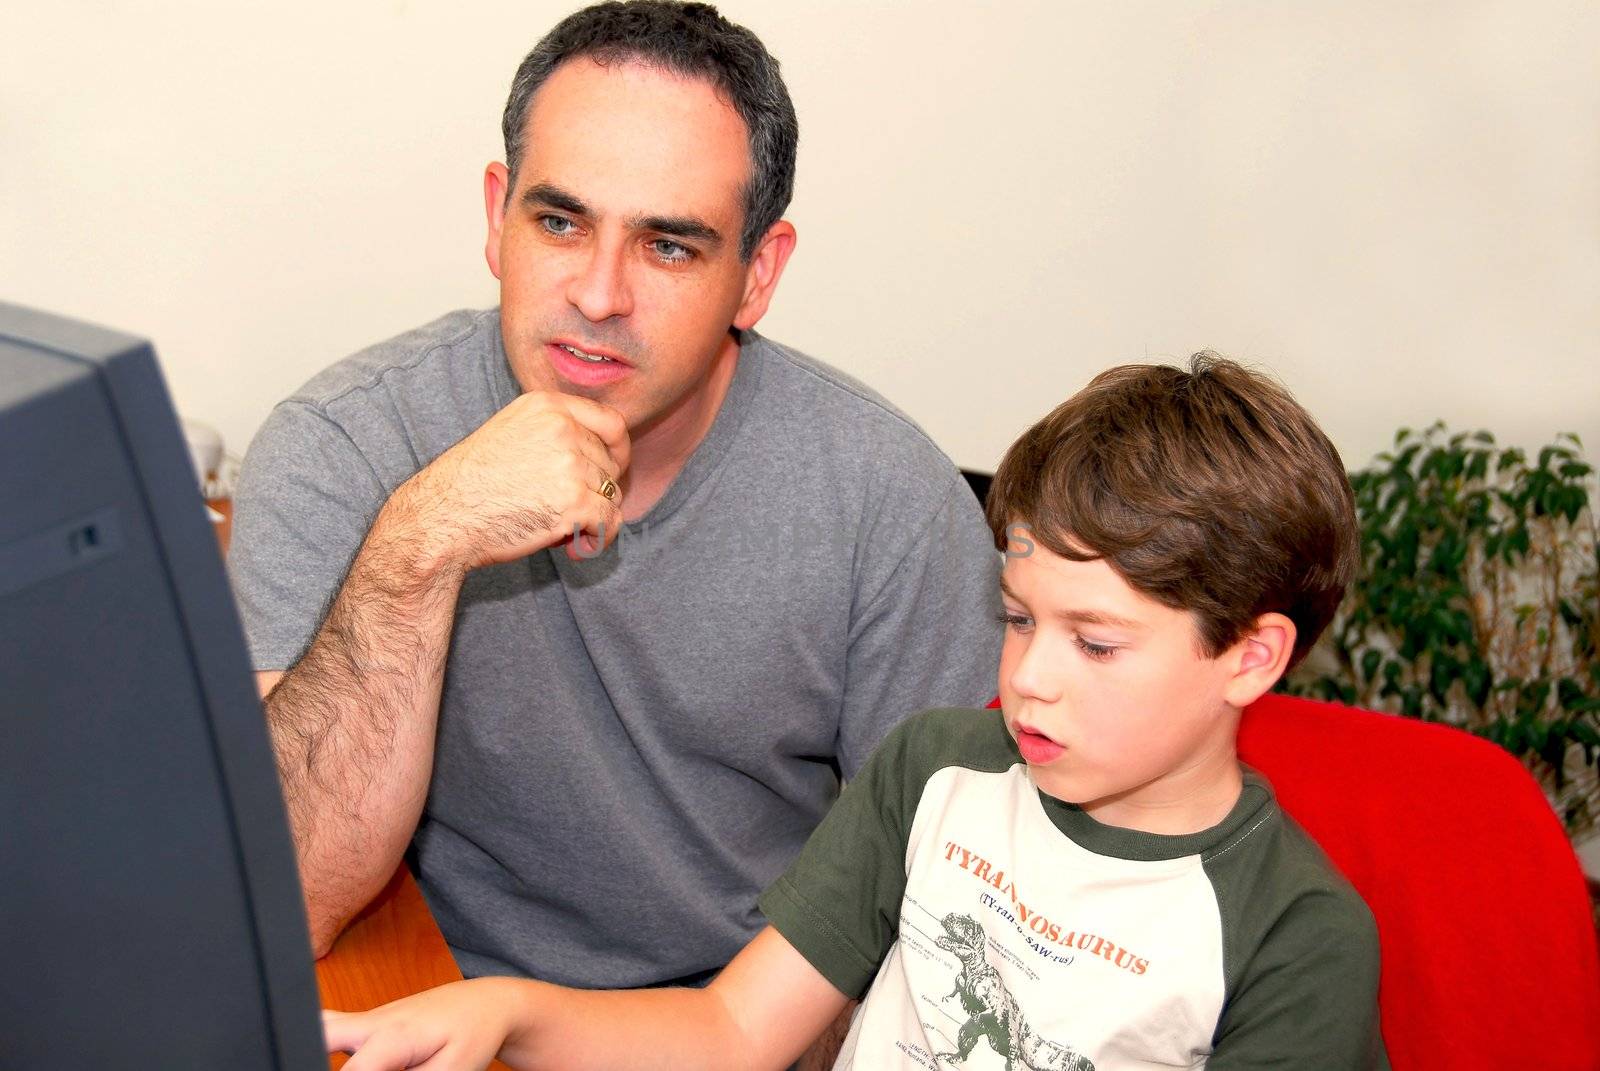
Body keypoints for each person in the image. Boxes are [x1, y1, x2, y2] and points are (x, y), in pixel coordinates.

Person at [227, 0, 1002, 997]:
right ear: (496, 218)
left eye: (668, 247)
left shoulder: (892, 505)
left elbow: (948, 919)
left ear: (756, 275)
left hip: (732, 1027)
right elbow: (284, 897)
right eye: (559, 221)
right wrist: (421, 542)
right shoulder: (345, 442)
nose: (597, 295)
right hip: (428, 1000)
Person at [320, 354, 1387, 1070]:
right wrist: (506, 1009)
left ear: (1250, 656)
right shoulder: (937, 772)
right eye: (1017, 620)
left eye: (1095, 642)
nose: (1028, 679)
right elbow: (733, 1028)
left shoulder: (1293, 935)